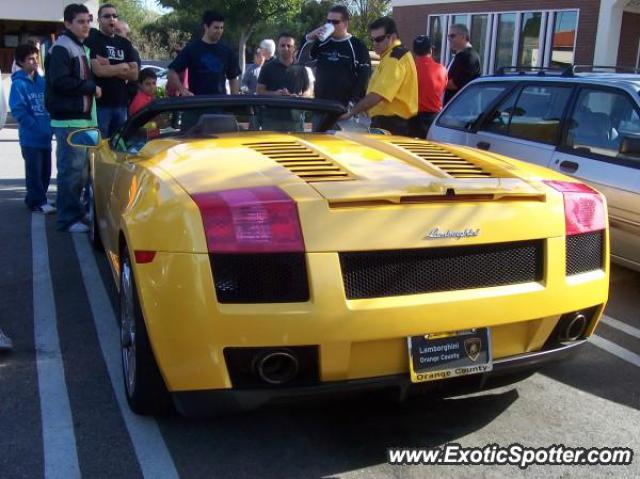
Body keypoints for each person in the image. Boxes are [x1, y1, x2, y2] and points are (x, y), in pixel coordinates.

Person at [45, 3, 101, 233]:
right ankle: (67, 219)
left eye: (88, 21)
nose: (86, 25)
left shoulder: (77, 46)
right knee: (71, 172)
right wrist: (90, 86)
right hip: (69, 121)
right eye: (80, 21)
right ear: (67, 23)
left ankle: (74, 214)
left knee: (82, 173)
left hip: (83, 120)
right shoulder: (62, 47)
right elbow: (59, 81)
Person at [339, 16, 417, 136]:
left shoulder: (394, 59)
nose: (375, 43)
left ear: (393, 37)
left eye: (379, 39)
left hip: (392, 124)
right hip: (391, 123)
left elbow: (378, 95)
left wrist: (352, 112)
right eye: (373, 40)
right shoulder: (392, 56)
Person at [9, 44, 55, 214]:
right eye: (30, 59)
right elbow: (18, 110)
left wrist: (49, 127)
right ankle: (38, 201)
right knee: (34, 172)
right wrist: (35, 127)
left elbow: (50, 105)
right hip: (30, 138)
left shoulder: (42, 82)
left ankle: (37, 197)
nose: (34, 61)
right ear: (21, 62)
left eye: (36, 58)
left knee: (46, 171)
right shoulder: (18, 84)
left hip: (46, 136)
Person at [85, 3, 138, 137]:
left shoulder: (125, 43)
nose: (112, 19)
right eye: (107, 16)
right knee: (100, 147)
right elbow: (99, 71)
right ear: (99, 20)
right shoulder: (93, 40)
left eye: (114, 16)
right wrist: (122, 66)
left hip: (121, 104)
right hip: (101, 105)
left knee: (118, 145)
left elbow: (134, 74)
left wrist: (109, 67)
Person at [302, 5, 370, 108]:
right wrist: (309, 38)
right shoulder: (321, 42)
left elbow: (364, 76)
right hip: (320, 105)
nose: (330, 25)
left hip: (344, 108)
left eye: (335, 22)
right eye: (328, 21)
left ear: (346, 23)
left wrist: (353, 103)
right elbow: (302, 61)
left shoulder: (357, 46)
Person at [167, 10, 240, 96]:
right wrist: (182, 90)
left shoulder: (227, 51)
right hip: (198, 104)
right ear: (206, 26)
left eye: (221, 27)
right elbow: (171, 72)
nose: (219, 31)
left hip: (220, 105)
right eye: (216, 27)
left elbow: (233, 78)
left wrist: (234, 103)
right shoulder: (192, 49)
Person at [411, 35, 447, 138]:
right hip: (434, 118)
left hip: (414, 118)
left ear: (414, 51)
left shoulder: (410, 69)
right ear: (431, 50)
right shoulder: (442, 69)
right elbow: (443, 88)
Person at [444, 23, 481, 105]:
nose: (449, 39)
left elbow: (455, 84)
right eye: (448, 36)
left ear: (463, 37)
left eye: (452, 36)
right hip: (453, 108)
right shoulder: (459, 56)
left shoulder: (469, 56)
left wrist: (434, 82)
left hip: (462, 110)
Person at [114, 20, 142, 105]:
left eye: (118, 31)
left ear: (127, 34)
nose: (115, 34)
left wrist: (107, 68)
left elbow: (132, 74)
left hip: (126, 99)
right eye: (114, 30)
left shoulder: (130, 51)